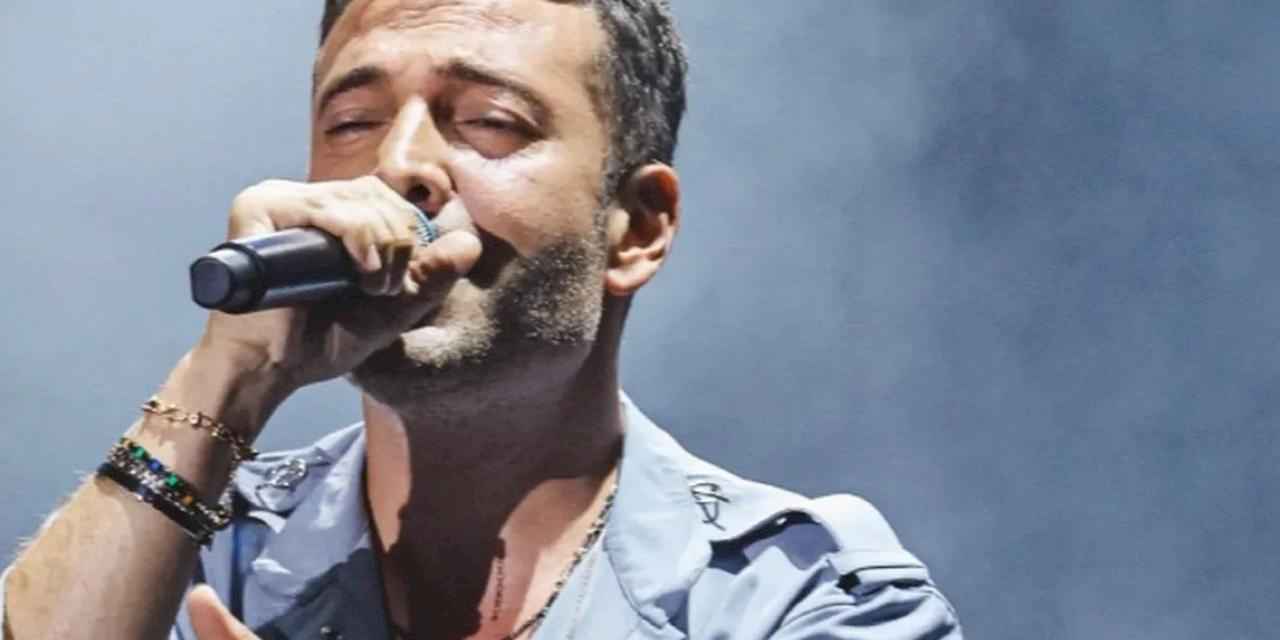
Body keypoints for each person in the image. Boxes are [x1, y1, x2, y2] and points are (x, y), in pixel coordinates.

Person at [1, 1, 962, 638]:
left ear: (637, 228)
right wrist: (228, 378)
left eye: (490, 122)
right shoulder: (194, 542)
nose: (399, 165)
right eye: (352, 123)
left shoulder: (803, 594)